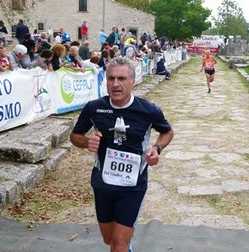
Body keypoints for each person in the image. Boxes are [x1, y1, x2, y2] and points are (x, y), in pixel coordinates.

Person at [70, 58, 174, 252]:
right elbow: (75, 136)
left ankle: (124, 245)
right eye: (111, 78)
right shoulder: (94, 108)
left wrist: (156, 149)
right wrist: (87, 142)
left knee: (118, 246)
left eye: (121, 78)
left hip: (133, 186)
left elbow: (167, 132)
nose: (115, 84)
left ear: (132, 81)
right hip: (103, 183)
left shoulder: (149, 110)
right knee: (109, 239)